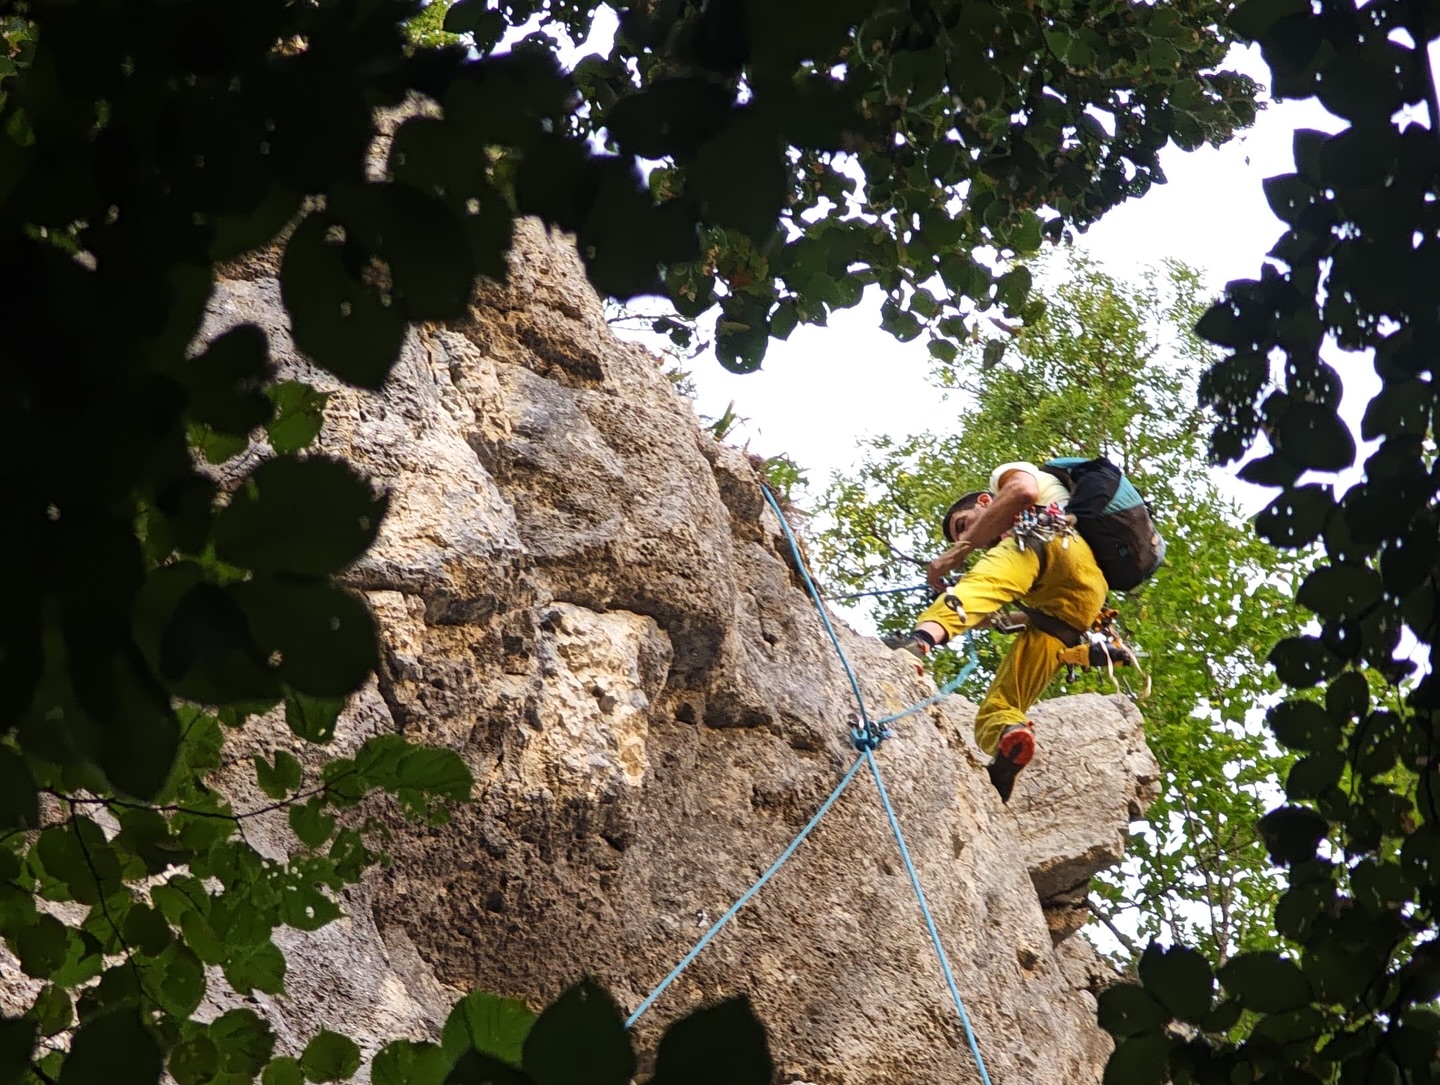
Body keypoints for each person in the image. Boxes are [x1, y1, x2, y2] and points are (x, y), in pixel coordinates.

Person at [884, 461, 1137, 802]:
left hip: (1048, 536)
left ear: (987, 503)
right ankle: (1009, 739)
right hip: (1085, 593)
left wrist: (957, 552)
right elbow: (1007, 609)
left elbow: (1023, 493)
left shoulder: (1008, 477)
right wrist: (994, 619)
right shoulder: (1010, 543)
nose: (965, 535)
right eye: (959, 534)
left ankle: (918, 643)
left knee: (977, 586)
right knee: (1005, 701)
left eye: (963, 524)